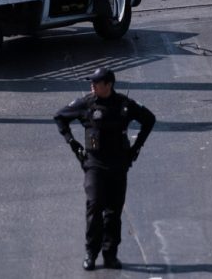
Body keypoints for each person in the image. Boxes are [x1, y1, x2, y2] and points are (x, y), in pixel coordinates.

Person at [54, 67, 155, 271]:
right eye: (91, 82)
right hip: (94, 163)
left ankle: (110, 254)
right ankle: (91, 253)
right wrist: (72, 143)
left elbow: (149, 119)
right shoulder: (87, 104)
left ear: (108, 85)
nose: (92, 85)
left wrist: (135, 149)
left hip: (118, 164)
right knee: (94, 205)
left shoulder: (124, 105)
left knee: (113, 211)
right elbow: (60, 117)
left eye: (96, 82)